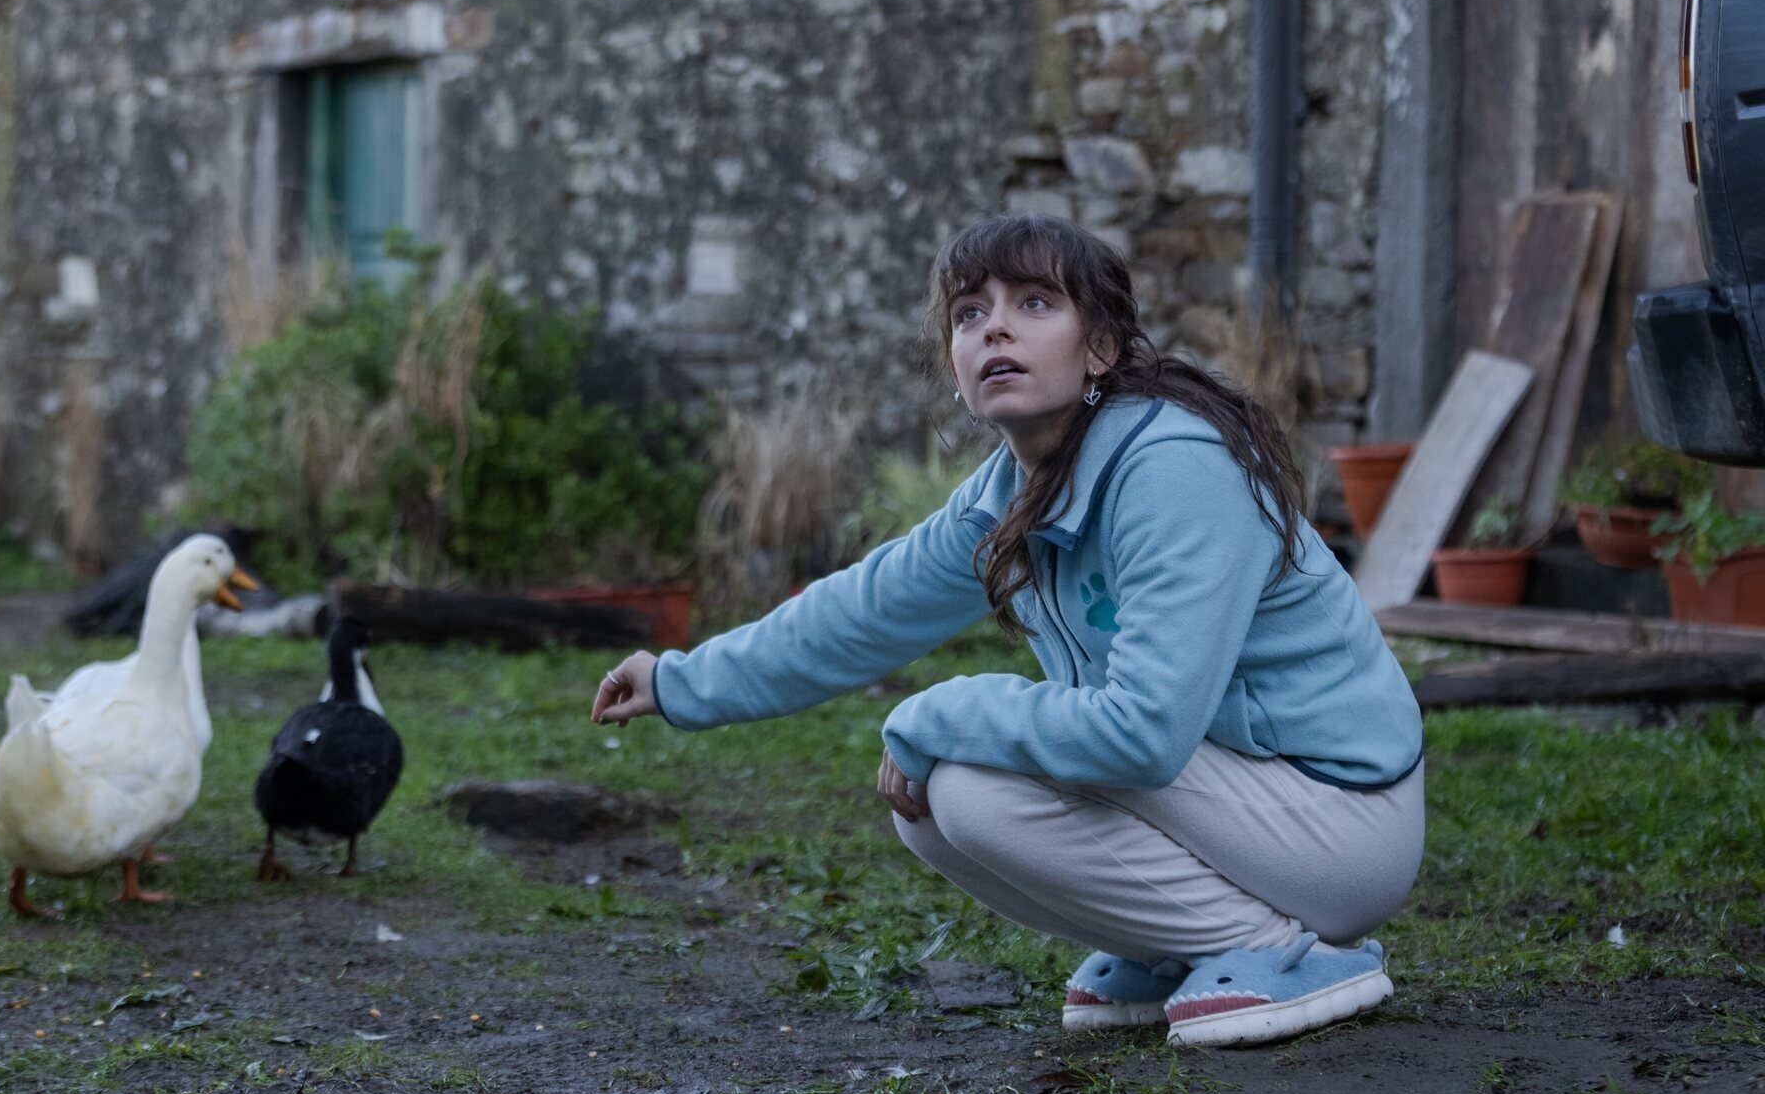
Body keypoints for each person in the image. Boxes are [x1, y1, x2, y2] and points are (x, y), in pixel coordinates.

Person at [591, 213, 1424, 1047]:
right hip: (1234, 802)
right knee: (928, 807)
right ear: (955, 365)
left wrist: (935, 712)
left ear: (1100, 348)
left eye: (1033, 303)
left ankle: (1280, 952)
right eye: (968, 313)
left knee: (965, 782)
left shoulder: (1176, 466)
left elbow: (1143, 733)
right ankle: (1181, 944)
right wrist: (679, 681)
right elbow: (861, 611)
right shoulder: (1010, 495)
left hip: (1340, 818)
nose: (993, 325)